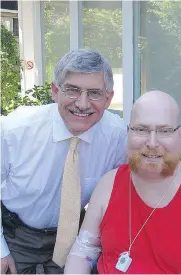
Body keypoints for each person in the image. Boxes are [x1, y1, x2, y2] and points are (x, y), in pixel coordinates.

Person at [64, 90, 181, 274]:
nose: (152, 142)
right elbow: (82, 253)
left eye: (164, 131)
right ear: (128, 133)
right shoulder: (109, 184)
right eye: (141, 129)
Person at [1, 49, 127, 274]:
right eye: (72, 90)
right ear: (55, 91)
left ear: (108, 99)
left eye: (95, 93)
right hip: (15, 235)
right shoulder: (14, 130)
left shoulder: (118, 136)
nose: (82, 103)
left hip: (75, 237)